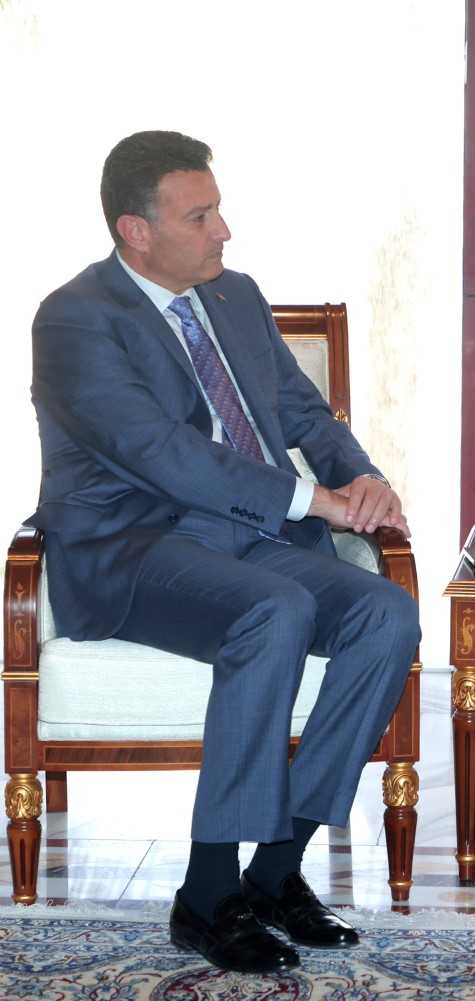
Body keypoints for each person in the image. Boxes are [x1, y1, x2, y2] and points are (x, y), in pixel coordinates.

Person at [29, 131, 421, 974]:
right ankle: (208, 893)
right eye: (199, 216)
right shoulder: (75, 318)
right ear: (136, 231)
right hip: (135, 547)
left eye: (218, 209)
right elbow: (162, 453)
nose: (224, 230)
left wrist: (363, 481)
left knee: (387, 615)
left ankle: (275, 870)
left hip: (251, 538)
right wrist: (314, 501)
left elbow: (306, 414)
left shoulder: (233, 295)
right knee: (274, 609)